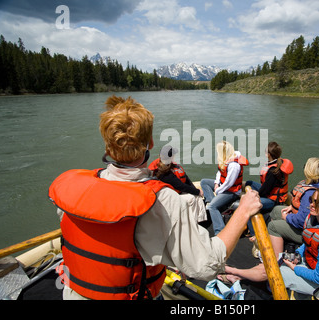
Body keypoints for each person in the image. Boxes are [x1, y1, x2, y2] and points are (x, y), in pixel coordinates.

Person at [49, 95, 262, 300]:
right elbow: (207, 265)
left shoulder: (72, 189)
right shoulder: (162, 200)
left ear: (107, 146)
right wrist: (243, 211)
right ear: (150, 142)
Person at [219, 187, 319, 301]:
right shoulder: (317, 221)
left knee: (276, 272)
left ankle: (235, 273)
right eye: (312, 201)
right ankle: (238, 276)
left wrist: (294, 267)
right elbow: (308, 243)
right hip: (312, 265)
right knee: (276, 261)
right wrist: (295, 256)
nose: (312, 205)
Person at [268, 157, 319, 251]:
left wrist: (286, 217)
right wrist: (292, 206)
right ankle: (274, 239)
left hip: (307, 232)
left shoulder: (311, 194)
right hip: (310, 221)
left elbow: (301, 221)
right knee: (276, 210)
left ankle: (276, 258)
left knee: (273, 226)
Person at [245, 142, 293, 241]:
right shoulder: (278, 163)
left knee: (249, 205)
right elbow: (266, 187)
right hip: (270, 191)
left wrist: (255, 195)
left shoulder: (273, 171)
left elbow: (264, 191)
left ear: (269, 154)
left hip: (273, 200)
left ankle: (254, 233)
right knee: (249, 183)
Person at [200, 141, 249, 235]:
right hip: (222, 187)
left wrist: (218, 190)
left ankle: (220, 231)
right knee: (204, 182)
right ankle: (212, 202)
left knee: (212, 206)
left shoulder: (234, 165)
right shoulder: (226, 159)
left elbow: (229, 183)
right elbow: (220, 172)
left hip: (232, 192)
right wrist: (216, 183)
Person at [149, 145, 207, 223]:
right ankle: (192, 224)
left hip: (176, 193)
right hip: (167, 199)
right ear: (170, 157)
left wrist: (196, 191)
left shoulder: (171, 165)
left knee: (197, 197)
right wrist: (198, 191)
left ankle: (200, 221)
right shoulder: (162, 172)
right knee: (192, 198)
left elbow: (186, 179)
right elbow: (180, 186)